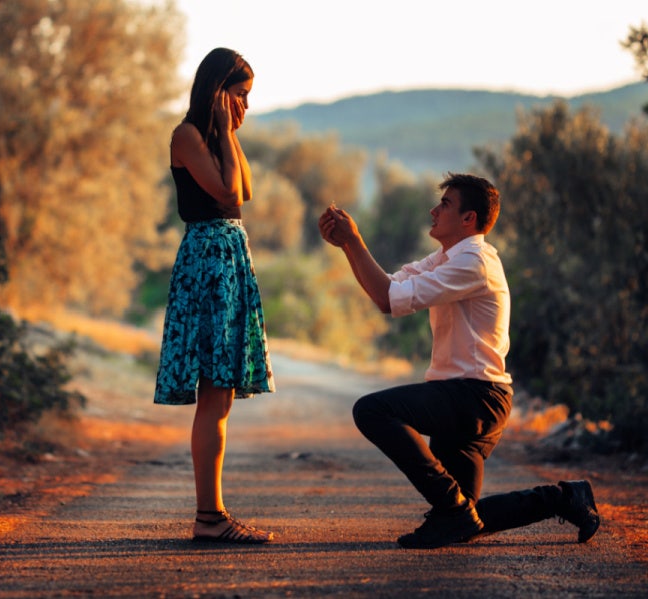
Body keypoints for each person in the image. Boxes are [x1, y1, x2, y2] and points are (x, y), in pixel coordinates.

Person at [317, 173, 600, 549]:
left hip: (475, 397)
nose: (434, 211)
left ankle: (451, 509)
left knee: (372, 411)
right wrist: (347, 247)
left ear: (469, 219)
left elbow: (388, 300)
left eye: (445, 204)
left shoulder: (474, 262)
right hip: (466, 397)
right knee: (469, 518)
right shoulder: (448, 258)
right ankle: (566, 498)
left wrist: (354, 240)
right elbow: (386, 288)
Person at [153, 47, 276, 544]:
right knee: (213, 395)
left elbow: (243, 190)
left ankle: (213, 514)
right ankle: (209, 517)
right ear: (217, 90)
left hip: (227, 261)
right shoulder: (186, 135)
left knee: (220, 396)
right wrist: (224, 134)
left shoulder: (216, 138)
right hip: (208, 264)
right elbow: (225, 195)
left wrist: (231, 136)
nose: (244, 105)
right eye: (239, 95)